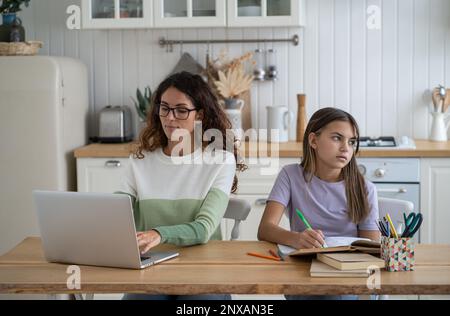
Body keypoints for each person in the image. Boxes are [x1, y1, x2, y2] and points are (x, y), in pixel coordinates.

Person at [119, 72, 245, 300]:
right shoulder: (140, 161)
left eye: (181, 110)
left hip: (204, 271)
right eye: (164, 108)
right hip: (150, 269)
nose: (170, 117)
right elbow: (115, 214)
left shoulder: (220, 161)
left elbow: (205, 227)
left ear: (200, 115)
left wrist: (159, 234)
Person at [257, 107, 380, 300]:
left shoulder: (365, 188)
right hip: (304, 273)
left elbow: (371, 248)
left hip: (350, 277)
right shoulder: (290, 175)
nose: (346, 148)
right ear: (313, 140)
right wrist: (296, 239)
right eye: (337, 138)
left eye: (351, 141)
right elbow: (265, 229)